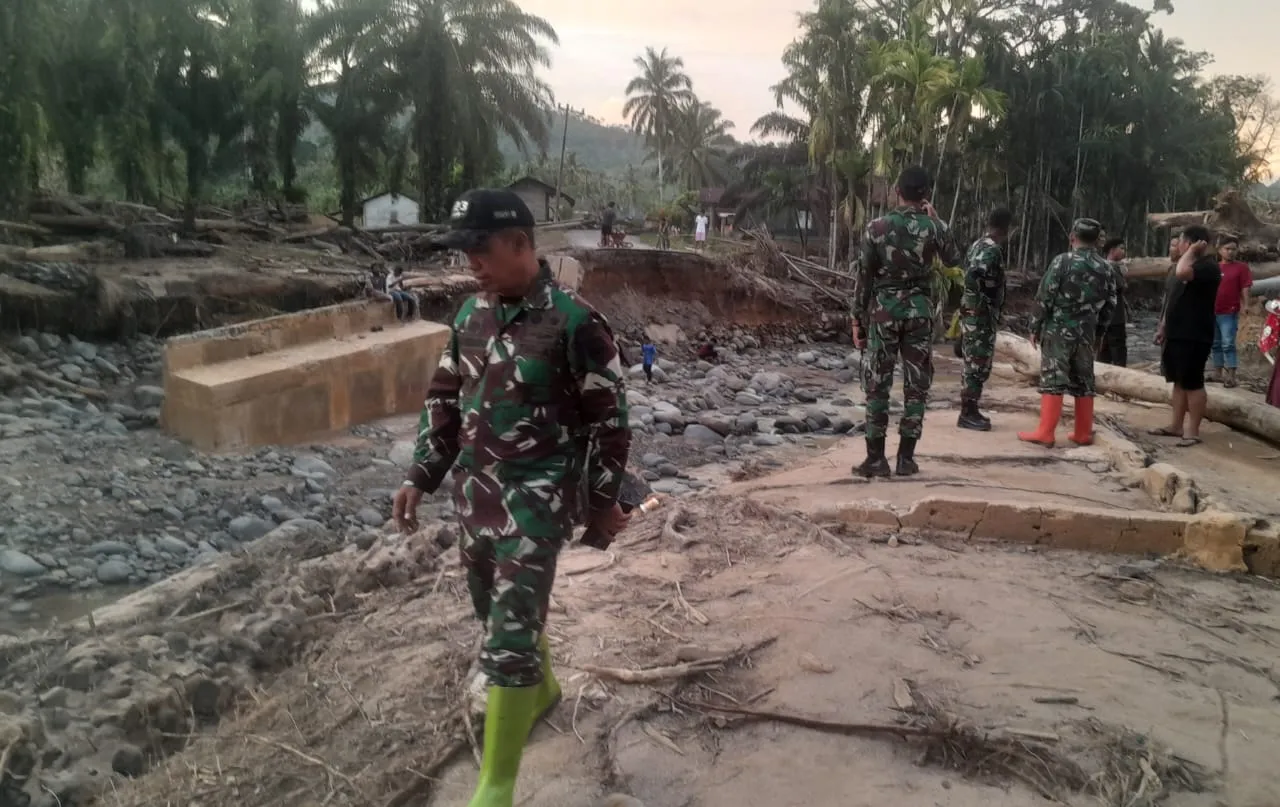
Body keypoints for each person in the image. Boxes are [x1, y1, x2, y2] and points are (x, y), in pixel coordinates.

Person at [391, 188, 631, 807]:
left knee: (508, 637)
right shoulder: (469, 318)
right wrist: (421, 475)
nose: (470, 262)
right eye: (464, 251)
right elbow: (444, 403)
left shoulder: (576, 323)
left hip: (538, 503)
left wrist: (603, 504)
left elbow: (610, 422)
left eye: (480, 249)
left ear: (520, 245)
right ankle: (543, 690)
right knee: (494, 613)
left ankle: (494, 789)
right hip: (476, 498)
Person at [852, 165, 961, 477]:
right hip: (919, 314)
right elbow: (954, 259)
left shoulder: (876, 227)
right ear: (925, 195)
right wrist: (937, 220)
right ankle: (906, 459)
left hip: (883, 314)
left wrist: (857, 319)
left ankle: (875, 459)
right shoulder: (934, 227)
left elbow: (865, 277)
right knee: (916, 386)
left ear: (897, 191)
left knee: (878, 385)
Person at [1019, 218, 1116, 449]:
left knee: (1054, 378)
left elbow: (1045, 296)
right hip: (1086, 332)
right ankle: (1082, 433)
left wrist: (1034, 326)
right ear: (1096, 241)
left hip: (1058, 330)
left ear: (1073, 237)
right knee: (1084, 380)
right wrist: (1100, 332)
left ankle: (1046, 432)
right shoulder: (1106, 268)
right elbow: (1110, 303)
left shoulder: (1062, 262)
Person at [1150, 225, 1221, 447]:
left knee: (1193, 382)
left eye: (1181, 242)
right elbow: (1172, 298)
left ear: (1191, 244)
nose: (1178, 246)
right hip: (1176, 331)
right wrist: (1163, 326)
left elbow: (1183, 273)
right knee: (1178, 381)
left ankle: (1192, 431)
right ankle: (1176, 425)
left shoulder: (1207, 267)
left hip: (1194, 333)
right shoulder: (1182, 266)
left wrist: (1191, 252)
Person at [957, 206, 1014, 431]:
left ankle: (970, 408)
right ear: (1006, 228)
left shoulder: (976, 244)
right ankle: (967, 412)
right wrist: (989, 295)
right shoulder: (992, 250)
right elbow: (975, 274)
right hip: (980, 316)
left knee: (973, 362)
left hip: (972, 313)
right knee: (978, 364)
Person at [1211, 236, 1253, 388]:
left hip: (1229, 311)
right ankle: (1217, 372)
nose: (1230, 252)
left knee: (1228, 343)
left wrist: (1246, 304)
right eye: (1227, 249)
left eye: (1233, 249)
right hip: (1212, 310)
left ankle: (1231, 375)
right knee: (1215, 343)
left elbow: (1245, 287)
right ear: (1220, 250)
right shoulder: (1214, 267)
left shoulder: (1241, 268)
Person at [1096, 237, 1129, 367]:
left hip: (1102, 317)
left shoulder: (1100, 265)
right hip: (1115, 317)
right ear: (1112, 250)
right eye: (1121, 248)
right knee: (1118, 353)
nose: (1124, 252)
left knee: (1103, 351)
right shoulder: (1113, 267)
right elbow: (1122, 287)